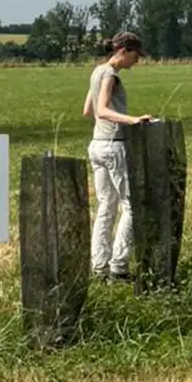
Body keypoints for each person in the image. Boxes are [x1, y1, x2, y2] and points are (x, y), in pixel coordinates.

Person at [82, 31, 152, 282]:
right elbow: (101, 110)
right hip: (113, 146)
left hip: (96, 145)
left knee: (106, 206)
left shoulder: (97, 71)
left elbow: (87, 110)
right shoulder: (110, 74)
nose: (137, 60)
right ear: (123, 50)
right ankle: (119, 267)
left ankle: (99, 265)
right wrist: (133, 120)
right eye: (135, 55)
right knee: (131, 205)